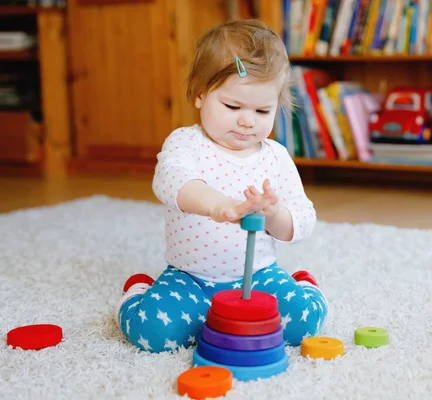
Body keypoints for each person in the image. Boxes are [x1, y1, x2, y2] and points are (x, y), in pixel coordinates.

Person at [113, 19, 328, 353]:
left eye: (262, 110)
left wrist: (274, 215)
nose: (247, 120)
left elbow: (303, 220)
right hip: (191, 278)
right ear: (201, 95)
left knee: (302, 323)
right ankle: (138, 290)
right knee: (152, 332)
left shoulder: (276, 157)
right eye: (233, 106)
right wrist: (217, 205)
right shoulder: (186, 142)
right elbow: (172, 181)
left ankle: (303, 285)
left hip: (258, 278)